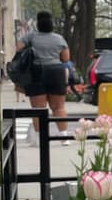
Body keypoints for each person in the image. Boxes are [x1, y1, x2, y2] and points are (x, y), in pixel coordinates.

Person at [15, 11, 70, 144]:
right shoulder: (59, 38)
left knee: (38, 109)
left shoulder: (31, 37)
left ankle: (40, 138)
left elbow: (18, 48)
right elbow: (65, 58)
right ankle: (64, 137)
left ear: (38, 24)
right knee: (59, 107)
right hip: (56, 72)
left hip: (36, 72)